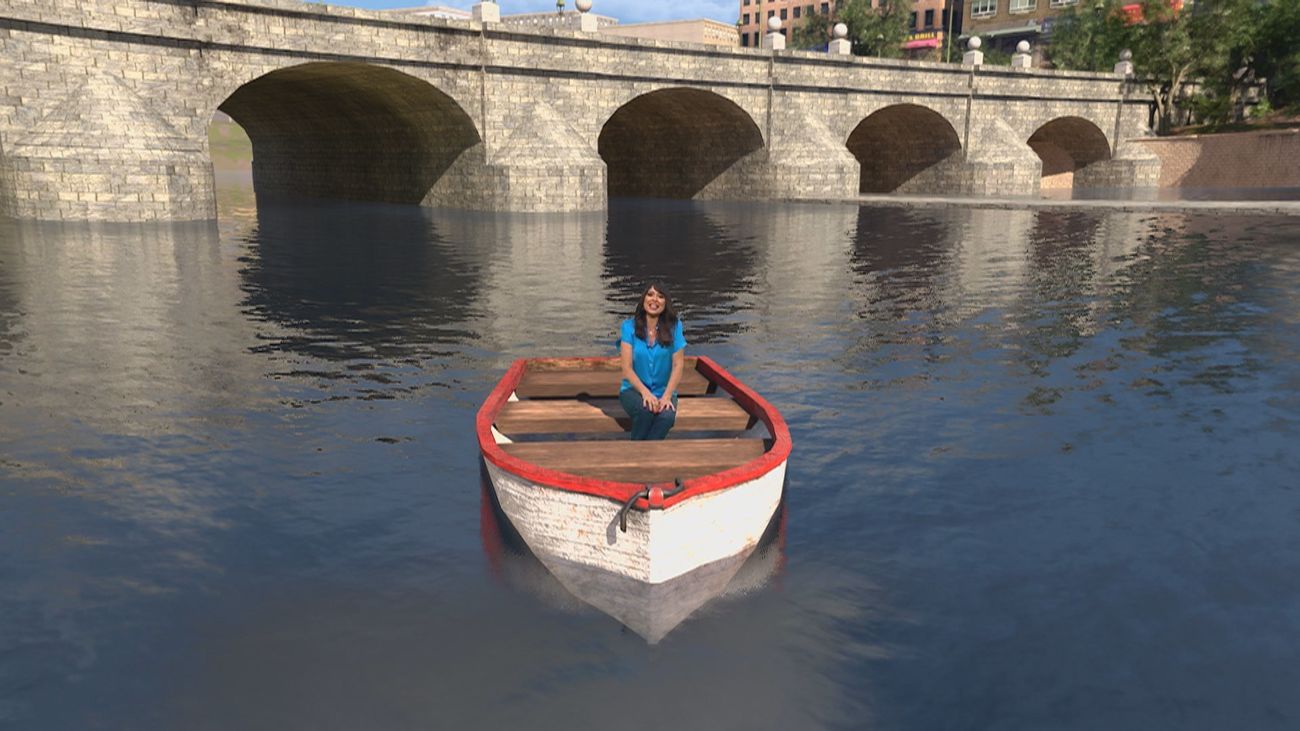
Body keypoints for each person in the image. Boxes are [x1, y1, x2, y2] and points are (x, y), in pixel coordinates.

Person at [618, 282, 686, 441]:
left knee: (666, 417)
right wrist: (645, 393)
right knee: (645, 411)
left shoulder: (675, 327)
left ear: (665, 302)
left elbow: (678, 365)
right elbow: (626, 369)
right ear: (643, 300)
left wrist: (667, 396)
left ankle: (641, 455)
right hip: (633, 391)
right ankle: (639, 455)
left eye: (660, 296)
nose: (654, 299)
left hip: (664, 391)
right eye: (650, 295)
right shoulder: (629, 327)